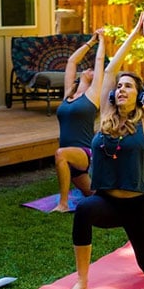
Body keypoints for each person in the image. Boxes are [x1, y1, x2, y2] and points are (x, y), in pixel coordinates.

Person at [66, 12, 144, 289]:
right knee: (83, 211)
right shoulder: (103, 116)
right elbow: (111, 71)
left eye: (129, 85)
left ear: (140, 95)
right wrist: (132, 34)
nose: (121, 88)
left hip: (139, 208)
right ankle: (82, 281)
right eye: (119, 87)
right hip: (107, 203)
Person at [52, 29, 106, 213]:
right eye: (87, 68)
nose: (89, 69)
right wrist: (91, 42)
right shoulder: (69, 94)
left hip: (85, 155)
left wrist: (103, 41)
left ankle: (63, 204)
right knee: (96, 197)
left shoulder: (92, 96)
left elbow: (99, 62)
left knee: (60, 154)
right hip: (72, 165)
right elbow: (72, 61)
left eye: (93, 71)